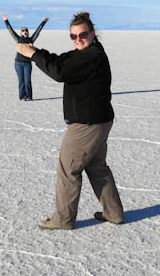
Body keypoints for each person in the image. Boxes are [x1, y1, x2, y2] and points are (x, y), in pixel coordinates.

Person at [17, 12, 124, 230]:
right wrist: (37, 52)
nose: (78, 39)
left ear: (93, 33)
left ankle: (63, 220)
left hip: (87, 124)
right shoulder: (90, 53)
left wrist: (33, 54)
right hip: (99, 120)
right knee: (96, 167)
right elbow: (62, 61)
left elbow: (59, 71)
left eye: (83, 34)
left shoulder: (92, 56)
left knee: (68, 169)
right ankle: (114, 213)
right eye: (73, 36)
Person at [3, 14, 48, 101]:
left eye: (26, 30)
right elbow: (10, 31)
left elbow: (38, 31)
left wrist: (43, 22)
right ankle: (22, 97)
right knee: (21, 81)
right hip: (18, 63)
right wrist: (6, 21)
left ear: (27, 32)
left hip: (27, 63)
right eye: (23, 30)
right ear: (21, 32)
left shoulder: (31, 40)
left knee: (27, 81)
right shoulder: (18, 39)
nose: (25, 31)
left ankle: (29, 97)